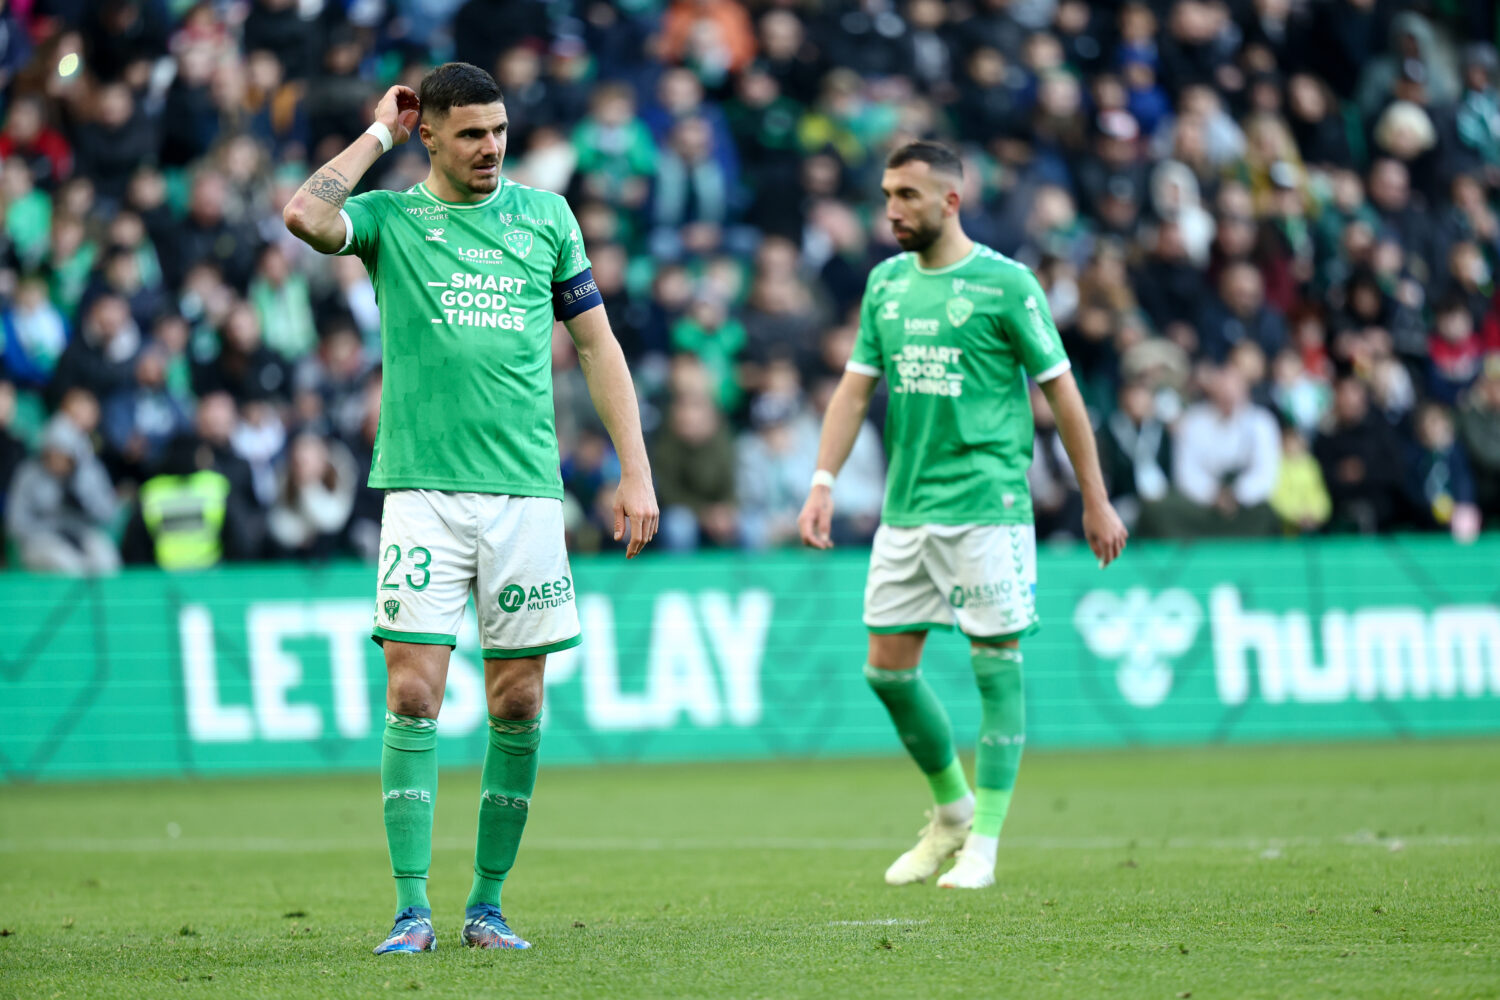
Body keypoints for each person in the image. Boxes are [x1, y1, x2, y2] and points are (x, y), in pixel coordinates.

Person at [282, 63, 658, 954]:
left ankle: (486, 905)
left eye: (499, 130)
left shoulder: (546, 218)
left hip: (526, 494)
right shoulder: (390, 222)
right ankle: (411, 907)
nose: (491, 147)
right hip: (420, 489)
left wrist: (633, 471)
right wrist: (376, 131)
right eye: (471, 134)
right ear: (429, 136)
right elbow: (305, 213)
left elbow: (599, 349)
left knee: (519, 701)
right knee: (413, 689)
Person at [797, 141, 1128, 890]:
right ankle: (951, 808)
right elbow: (853, 392)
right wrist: (823, 479)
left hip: (988, 506)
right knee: (887, 672)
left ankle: (985, 842)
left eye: (908, 195)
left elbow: (1063, 392)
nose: (891, 209)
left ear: (951, 200)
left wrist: (1094, 496)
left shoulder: (1007, 285)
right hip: (906, 509)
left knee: (995, 668)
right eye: (887, 194)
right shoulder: (883, 285)